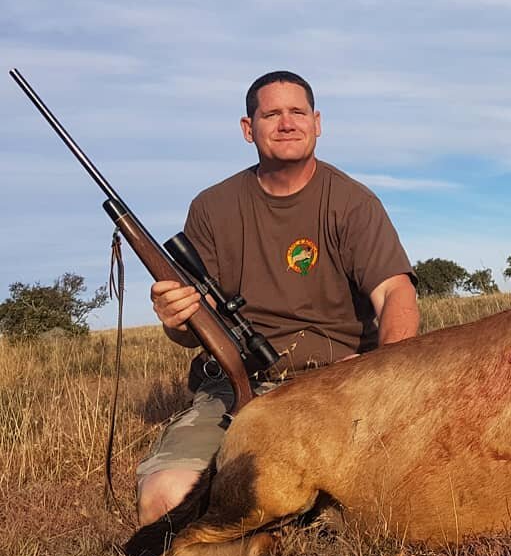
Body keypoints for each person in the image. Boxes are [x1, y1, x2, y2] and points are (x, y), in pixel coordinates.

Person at [136, 70, 419, 524]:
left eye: (297, 112)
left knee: (395, 498)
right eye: (271, 114)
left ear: (317, 122)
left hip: (336, 384)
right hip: (235, 385)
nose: (287, 123)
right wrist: (175, 318)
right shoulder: (211, 207)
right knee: (165, 498)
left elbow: (395, 293)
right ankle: (265, 535)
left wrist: (382, 380)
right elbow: (194, 329)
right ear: (249, 129)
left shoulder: (353, 202)